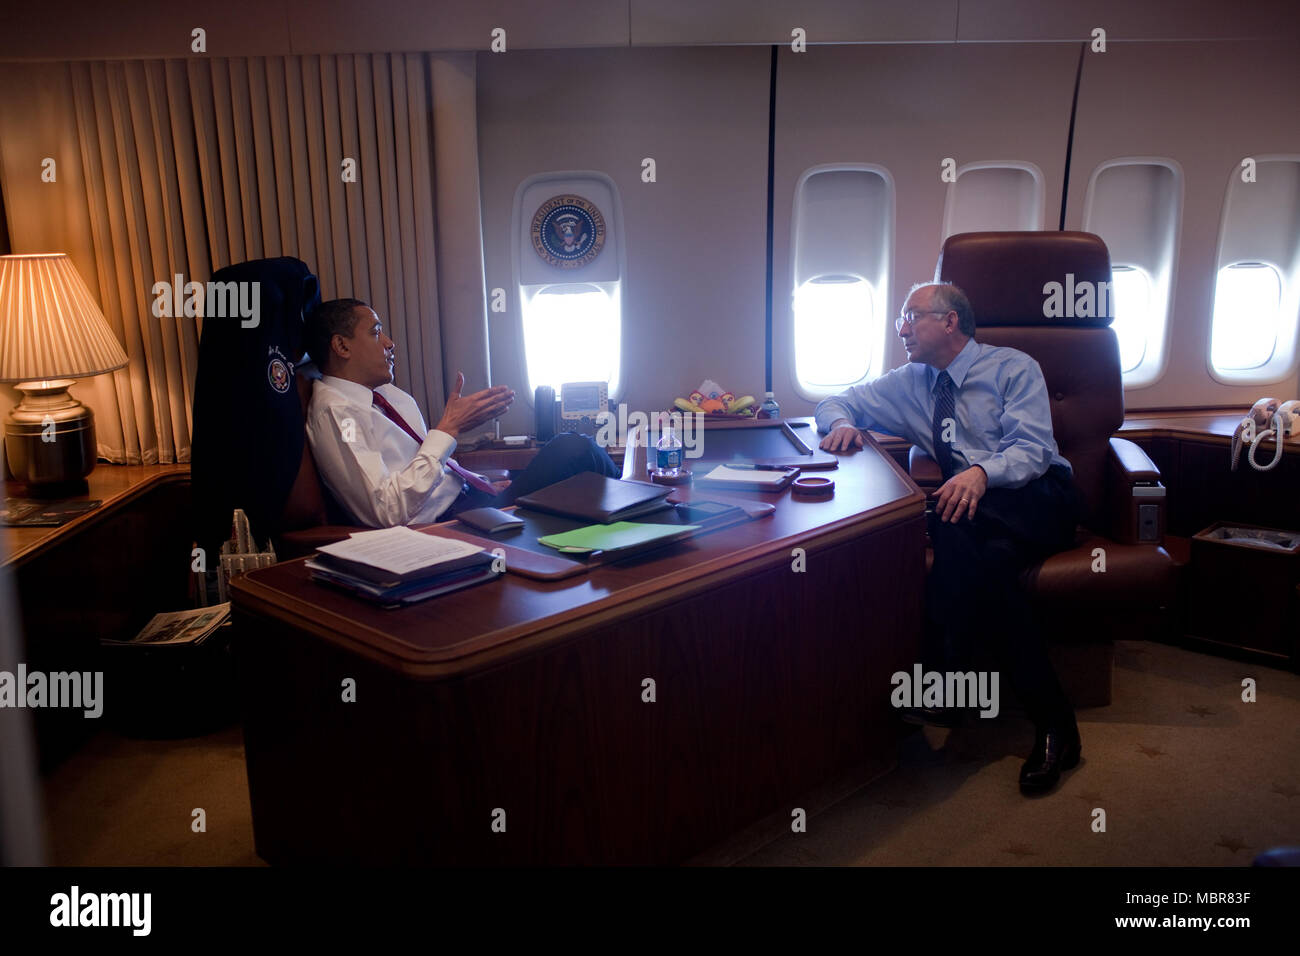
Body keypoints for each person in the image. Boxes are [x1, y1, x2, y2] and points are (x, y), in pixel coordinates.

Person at [815, 281, 1083, 795]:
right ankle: (1056, 726)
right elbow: (836, 399)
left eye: (910, 316)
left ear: (950, 321)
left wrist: (981, 472)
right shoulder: (910, 381)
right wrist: (843, 423)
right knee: (991, 566)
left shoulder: (1012, 366)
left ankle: (946, 678)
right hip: (979, 517)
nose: (902, 329)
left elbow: (1031, 450)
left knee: (951, 517)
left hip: (1040, 495)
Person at [303, 298, 619, 528]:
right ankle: (645, 510)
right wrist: (448, 430)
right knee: (573, 449)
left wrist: (479, 482)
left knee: (575, 471)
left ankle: (634, 515)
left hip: (472, 499)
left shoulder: (387, 396)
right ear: (342, 347)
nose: (389, 342)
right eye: (375, 332)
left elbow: (424, 468)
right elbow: (387, 511)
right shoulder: (340, 415)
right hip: (446, 526)